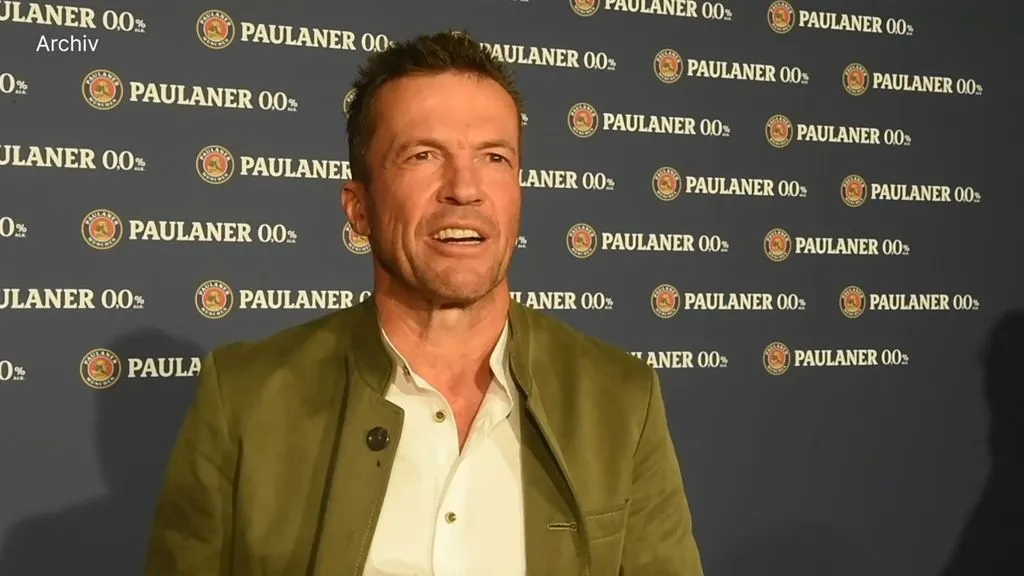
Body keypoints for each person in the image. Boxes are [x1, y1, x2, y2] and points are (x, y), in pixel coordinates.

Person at [144, 30, 703, 575]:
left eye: (494, 157)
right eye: (423, 155)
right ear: (359, 208)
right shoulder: (244, 399)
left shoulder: (621, 399)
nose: (465, 188)